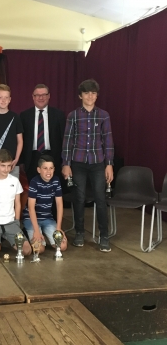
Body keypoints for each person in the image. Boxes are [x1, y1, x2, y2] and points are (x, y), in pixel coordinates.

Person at [62, 79, 114, 253]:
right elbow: (68, 141)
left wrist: (109, 164)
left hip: (98, 162)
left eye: (93, 93)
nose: (90, 96)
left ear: (97, 95)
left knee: (100, 199)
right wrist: (66, 164)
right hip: (78, 162)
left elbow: (108, 141)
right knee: (79, 198)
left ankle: (104, 236)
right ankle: (79, 233)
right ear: (80, 96)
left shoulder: (104, 115)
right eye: (86, 93)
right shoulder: (73, 115)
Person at [20, 83, 66, 183]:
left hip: (53, 157)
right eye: (37, 95)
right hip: (32, 159)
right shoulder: (24, 116)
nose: (40, 98)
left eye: (44, 95)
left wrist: (64, 161)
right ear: (33, 97)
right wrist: (22, 161)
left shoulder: (59, 115)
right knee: (33, 190)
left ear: (49, 96)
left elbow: (64, 139)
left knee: (53, 190)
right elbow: (21, 139)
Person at [22, 155, 67, 254]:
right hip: (32, 219)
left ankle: (46, 237)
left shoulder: (56, 181)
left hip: (47, 218)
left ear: (54, 169)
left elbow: (59, 205)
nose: (48, 172)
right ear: (39, 170)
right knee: (39, 249)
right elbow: (30, 207)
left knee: (62, 246)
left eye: (51, 168)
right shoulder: (34, 182)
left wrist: (59, 228)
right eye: (45, 168)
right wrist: (36, 230)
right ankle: (31, 234)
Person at [0, 84, 23, 178]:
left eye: (6, 97)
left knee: (13, 191)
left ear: (10, 99)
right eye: (0, 97)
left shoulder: (15, 117)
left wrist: (16, 159)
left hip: (12, 164)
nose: (3, 100)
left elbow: (20, 141)